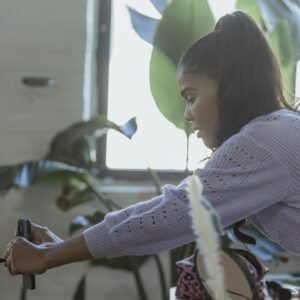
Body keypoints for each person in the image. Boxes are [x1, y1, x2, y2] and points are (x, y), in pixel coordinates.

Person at [4, 11, 300, 276]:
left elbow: (172, 212)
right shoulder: (279, 128)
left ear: (229, 88)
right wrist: (59, 249)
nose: (187, 115)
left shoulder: (260, 143)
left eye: (192, 97)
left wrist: (51, 256)